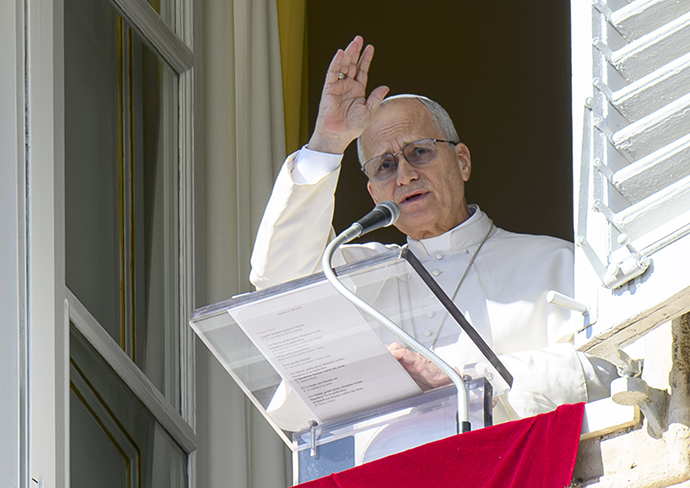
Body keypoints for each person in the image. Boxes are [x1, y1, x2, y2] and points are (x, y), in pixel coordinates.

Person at [250, 36, 616, 422]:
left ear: (462, 161)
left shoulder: (557, 263)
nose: (405, 175)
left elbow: (609, 370)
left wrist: (470, 383)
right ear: (374, 194)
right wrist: (326, 143)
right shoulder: (356, 277)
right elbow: (278, 281)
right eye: (385, 166)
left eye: (420, 152)